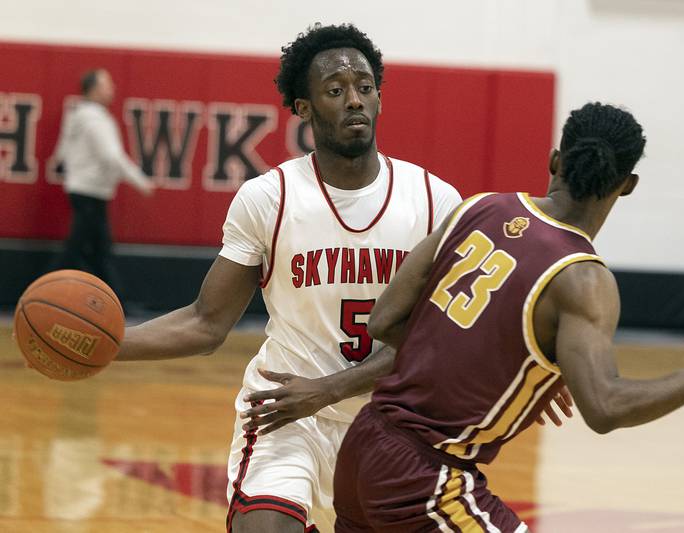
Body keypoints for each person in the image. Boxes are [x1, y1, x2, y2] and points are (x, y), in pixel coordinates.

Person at [109, 23, 537, 533]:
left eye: (365, 87)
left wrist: (540, 364)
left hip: (393, 428)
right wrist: (108, 344)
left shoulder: (433, 200)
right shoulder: (269, 198)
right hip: (287, 415)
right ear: (304, 108)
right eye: (335, 91)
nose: (354, 100)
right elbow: (206, 322)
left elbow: (440, 339)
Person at [332, 102, 684, 532]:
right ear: (627, 185)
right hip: (426, 477)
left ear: (555, 160)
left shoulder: (481, 206)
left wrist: (501, 365)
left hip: (363, 446)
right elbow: (605, 407)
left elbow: (385, 320)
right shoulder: (582, 279)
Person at [52, 68, 153, 296]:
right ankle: (40, 295)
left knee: (97, 251)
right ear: (95, 89)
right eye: (108, 84)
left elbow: (62, 152)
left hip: (85, 190)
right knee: (79, 251)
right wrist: (139, 181)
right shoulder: (95, 119)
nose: (112, 89)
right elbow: (111, 156)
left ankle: (114, 300)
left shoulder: (78, 115)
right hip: (90, 192)